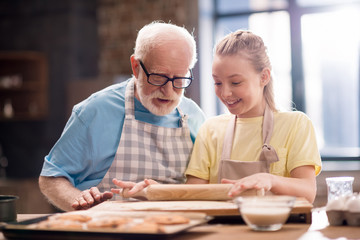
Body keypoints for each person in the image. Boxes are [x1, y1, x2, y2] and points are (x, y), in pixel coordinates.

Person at [115, 30, 321, 204]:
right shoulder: (211, 129)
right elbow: (193, 196)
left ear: (264, 76)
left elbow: (307, 192)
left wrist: (269, 180)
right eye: (218, 82)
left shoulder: (296, 124)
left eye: (236, 82)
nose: (225, 93)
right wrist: (154, 190)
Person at [38, 21, 206, 211]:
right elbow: (51, 178)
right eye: (158, 77)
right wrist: (80, 201)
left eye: (179, 79)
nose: (168, 91)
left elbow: (202, 188)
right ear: (135, 67)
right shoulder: (95, 111)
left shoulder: (194, 116)